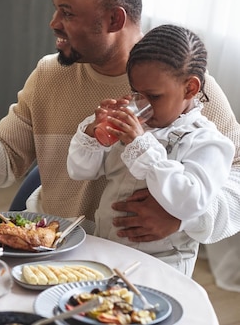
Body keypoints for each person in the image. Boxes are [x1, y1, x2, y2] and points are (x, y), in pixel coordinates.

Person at [0, 0, 240, 249]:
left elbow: (235, 179)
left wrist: (182, 219)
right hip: (52, 250)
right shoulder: (49, 75)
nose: (53, 22)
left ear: (114, 20)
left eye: (67, 13)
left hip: (137, 267)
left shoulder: (185, 92)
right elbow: (2, 165)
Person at [67, 24, 234, 275]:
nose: (142, 104)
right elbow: (80, 170)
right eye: (136, 93)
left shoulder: (208, 142)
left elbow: (191, 202)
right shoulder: (136, 127)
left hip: (162, 267)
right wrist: (94, 133)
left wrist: (142, 146)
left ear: (190, 88)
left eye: (154, 97)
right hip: (107, 251)